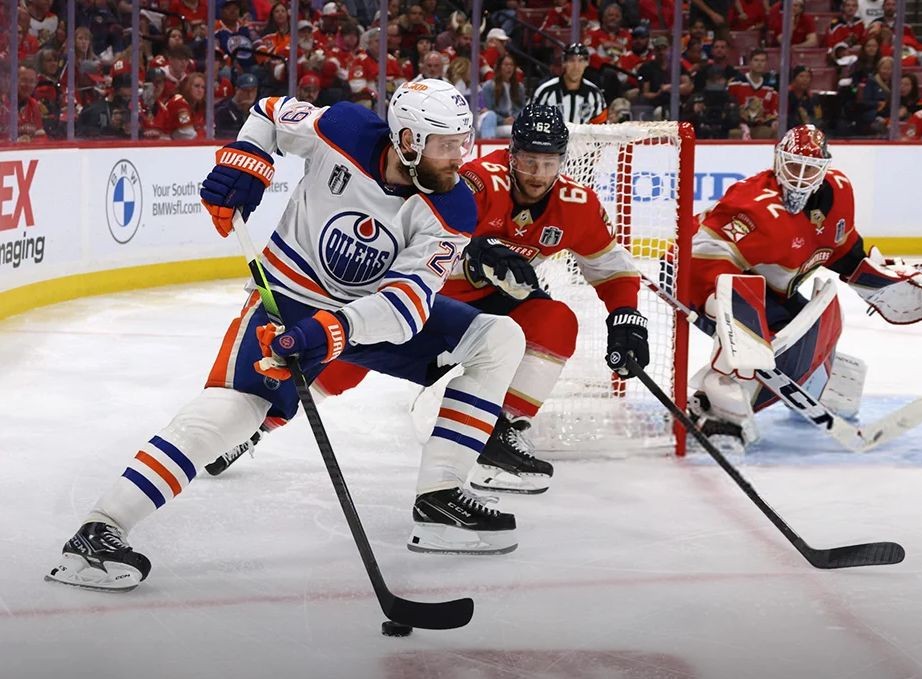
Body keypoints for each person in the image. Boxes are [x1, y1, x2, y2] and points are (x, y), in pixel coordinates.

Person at [46, 79, 528, 591]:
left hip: (366, 318)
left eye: (462, 142)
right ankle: (100, 530)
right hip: (288, 302)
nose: (460, 157)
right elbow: (271, 113)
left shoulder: (452, 207)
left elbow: (407, 304)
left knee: (497, 339)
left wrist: (339, 329)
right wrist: (248, 158)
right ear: (408, 140)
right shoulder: (343, 128)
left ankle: (440, 499)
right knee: (234, 409)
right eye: (446, 145)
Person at [206, 106, 652, 497]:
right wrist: (475, 252)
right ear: (511, 155)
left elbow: (610, 266)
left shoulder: (577, 205)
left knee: (557, 320)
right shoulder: (476, 182)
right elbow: (429, 238)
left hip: (497, 312)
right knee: (342, 365)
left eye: (548, 162)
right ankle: (255, 426)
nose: (537, 173)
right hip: (435, 303)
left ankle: (501, 431)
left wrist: (626, 314)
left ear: (563, 162)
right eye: (528, 160)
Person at [662, 125, 922, 454]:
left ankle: (786, 390)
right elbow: (703, 256)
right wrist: (728, 309)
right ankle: (717, 414)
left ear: (824, 169)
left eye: (809, 169)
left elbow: (839, 248)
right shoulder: (753, 205)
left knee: (811, 339)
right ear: (778, 161)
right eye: (793, 166)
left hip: (759, 281)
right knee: (751, 343)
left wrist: (875, 276)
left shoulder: (839, 192)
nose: (799, 177)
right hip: (688, 271)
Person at [531, 43, 608, 125]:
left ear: (587, 63)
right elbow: (531, 123)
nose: (576, 67)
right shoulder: (545, 91)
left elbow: (600, 127)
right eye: (571, 60)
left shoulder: (595, 94)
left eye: (581, 61)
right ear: (564, 62)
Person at [214, 72, 260, 138]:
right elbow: (220, 134)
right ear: (237, 90)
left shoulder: (258, 110)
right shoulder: (223, 110)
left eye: (253, 91)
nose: (250, 94)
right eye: (246, 90)